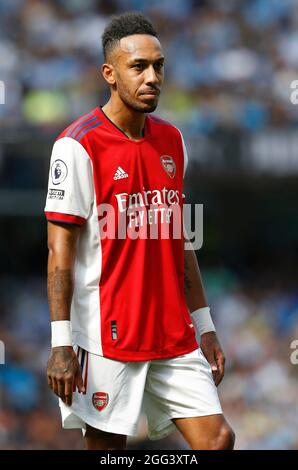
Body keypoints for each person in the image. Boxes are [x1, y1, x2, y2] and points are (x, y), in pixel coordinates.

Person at [45, 12, 235, 451]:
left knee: (218, 440)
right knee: (108, 449)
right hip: (108, 335)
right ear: (109, 74)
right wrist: (60, 343)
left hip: (173, 332)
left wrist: (204, 324)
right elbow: (59, 250)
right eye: (139, 67)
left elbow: (180, 239)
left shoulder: (173, 140)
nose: (153, 77)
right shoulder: (76, 145)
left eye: (159, 66)